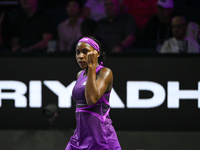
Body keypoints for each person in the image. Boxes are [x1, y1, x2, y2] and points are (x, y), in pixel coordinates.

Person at [65, 36, 122, 150]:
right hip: (79, 137)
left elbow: (91, 100)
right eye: (77, 53)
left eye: (85, 52)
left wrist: (91, 67)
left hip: (101, 138)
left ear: (97, 53)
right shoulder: (79, 75)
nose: (80, 56)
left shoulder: (105, 72)